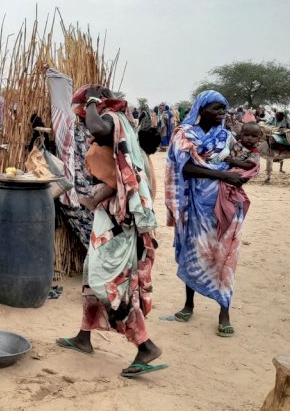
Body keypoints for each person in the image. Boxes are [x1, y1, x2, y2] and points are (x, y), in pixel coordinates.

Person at [56, 85, 166, 378]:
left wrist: (91, 103)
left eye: (80, 112)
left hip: (118, 223)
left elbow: (120, 180)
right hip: (108, 217)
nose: (81, 120)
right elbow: (119, 174)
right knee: (92, 276)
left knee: (107, 282)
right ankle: (84, 337)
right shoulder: (120, 131)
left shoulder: (112, 122)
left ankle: (145, 345)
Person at [165, 90, 251, 338]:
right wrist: (224, 174)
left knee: (225, 255)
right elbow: (187, 168)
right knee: (195, 251)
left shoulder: (226, 136)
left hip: (225, 205)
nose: (222, 114)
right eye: (216, 109)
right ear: (201, 109)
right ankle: (188, 304)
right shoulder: (185, 134)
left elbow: (240, 160)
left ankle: (224, 311)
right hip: (194, 205)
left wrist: (241, 174)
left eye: (224, 109)